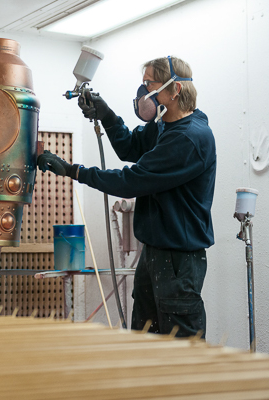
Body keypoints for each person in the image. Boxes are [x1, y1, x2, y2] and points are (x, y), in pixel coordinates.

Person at [37, 56, 216, 338]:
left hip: (178, 260)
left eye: (149, 83)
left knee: (181, 349)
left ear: (175, 90)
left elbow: (132, 181)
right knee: (145, 339)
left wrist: (74, 171)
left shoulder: (190, 138)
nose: (142, 91)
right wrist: (106, 115)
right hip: (155, 253)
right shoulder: (163, 127)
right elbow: (129, 146)